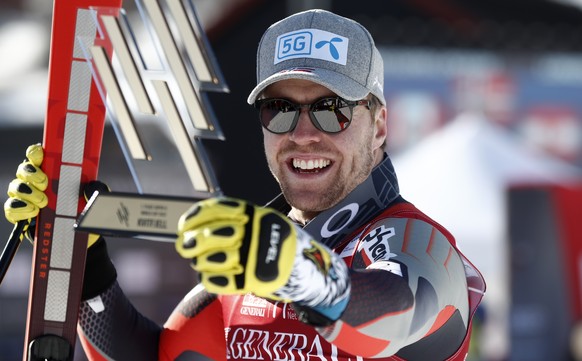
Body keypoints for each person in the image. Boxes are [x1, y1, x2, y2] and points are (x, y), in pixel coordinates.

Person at [4, 9, 485, 361]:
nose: (302, 134)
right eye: (280, 110)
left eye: (331, 108)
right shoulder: (248, 259)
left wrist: (294, 267)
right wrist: (86, 269)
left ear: (379, 125)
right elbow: (155, 356)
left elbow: (399, 309)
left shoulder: (414, 245)